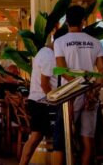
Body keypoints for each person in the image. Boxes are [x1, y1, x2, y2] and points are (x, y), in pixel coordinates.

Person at [52, 5, 103, 165]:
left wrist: (77, 88)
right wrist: (92, 91)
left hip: (69, 95)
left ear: (67, 21)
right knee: (87, 139)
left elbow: (62, 70)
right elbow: (102, 70)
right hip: (90, 96)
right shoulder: (96, 42)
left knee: (63, 139)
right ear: (83, 21)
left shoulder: (60, 42)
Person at [19, 29, 66, 165]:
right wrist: (55, 101)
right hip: (41, 101)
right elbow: (45, 84)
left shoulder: (45, 52)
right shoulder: (49, 56)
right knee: (36, 136)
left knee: (36, 136)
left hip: (39, 100)